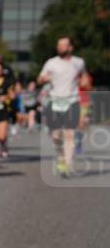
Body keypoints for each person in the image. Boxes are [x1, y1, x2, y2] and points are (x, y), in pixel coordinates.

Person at [38, 36, 90, 177]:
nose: (59, 47)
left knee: (70, 134)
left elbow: (84, 76)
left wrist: (84, 81)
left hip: (72, 101)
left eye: (63, 45)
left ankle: (67, 165)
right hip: (55, 100)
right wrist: (44, 79)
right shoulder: (51, 63)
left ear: (70, 48)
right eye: (58, 45)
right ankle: (60, 157)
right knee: (56, 136)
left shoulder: (79, 62)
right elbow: (40, 78)